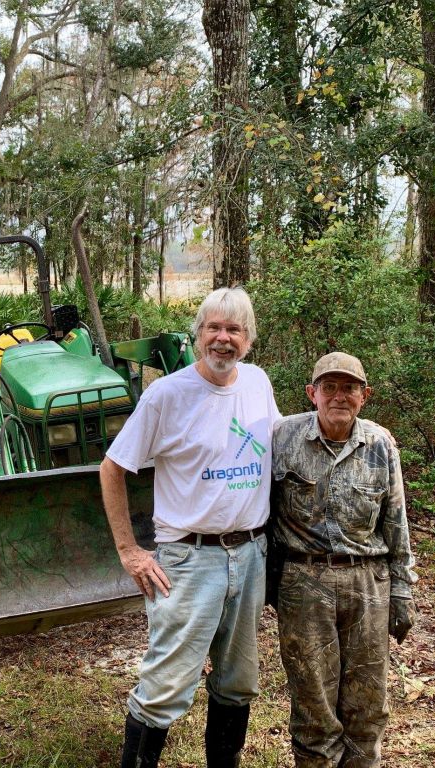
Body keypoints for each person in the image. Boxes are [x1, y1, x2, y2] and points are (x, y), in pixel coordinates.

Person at [100, 287, 281, 768]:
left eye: (234, 330)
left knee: (238, 682)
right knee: (165, 688)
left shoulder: (258, 383)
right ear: (197, 334)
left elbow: (276, 450)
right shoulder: (167, 395)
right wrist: (129, 550)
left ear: (249, 338)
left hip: (250, 554)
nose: (223, 339)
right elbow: (113, 467)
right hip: (188, 559)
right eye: (214, 329)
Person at [270, 352, 417, 768]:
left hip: (368, 584)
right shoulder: (283, 438)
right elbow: (257, 509)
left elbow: (396, 524)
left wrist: (403, 593)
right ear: (311, 393)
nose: (339, 396)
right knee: (314, 708)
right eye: (329, 387)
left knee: (368, 706)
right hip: (303, 583)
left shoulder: (381, 444)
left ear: (364, 396)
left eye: (349, 388)